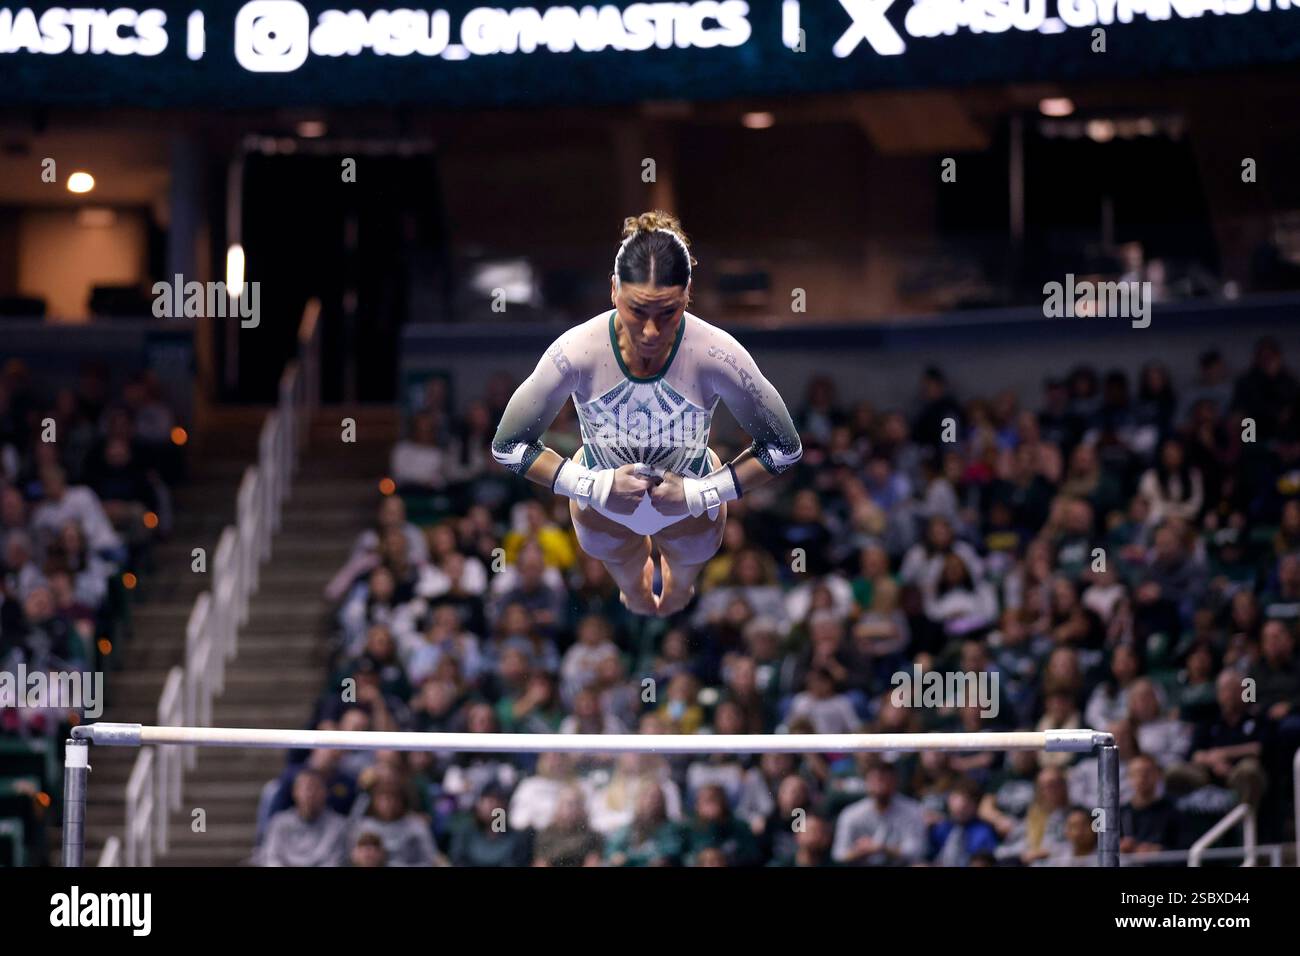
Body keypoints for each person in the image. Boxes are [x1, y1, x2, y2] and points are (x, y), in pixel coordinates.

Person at [491, 210, 803, 617]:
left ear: (687, 293)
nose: (651, 332)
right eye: (638, 311)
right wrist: (592, 487)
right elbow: (507, 446)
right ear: (614, 290)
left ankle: (678, 586)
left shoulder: (717, 355)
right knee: (634, 592)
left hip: (691, 507)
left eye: (668, 313)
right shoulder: (576, 352)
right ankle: (636, 591)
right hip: (603, 507)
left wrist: (698, 493)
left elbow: (785, 448)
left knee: (678, 588)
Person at [831, 761, 927, 866]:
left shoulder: (912, 810)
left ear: (896, 782)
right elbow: (839, 854)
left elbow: (917, 850)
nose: (880, 785)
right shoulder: (851, 814)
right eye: (875, 780)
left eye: (886, 779)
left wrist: (882, 848)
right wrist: (860, 851)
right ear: (866, 782)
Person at [261, 769, 349, 867]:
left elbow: (333, 862)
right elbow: (271, 858)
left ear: (325, 792)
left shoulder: (338, 826)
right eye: (306, 788)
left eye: (315, 788)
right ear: (295, 792)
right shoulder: (279, 823)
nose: (310, 794)